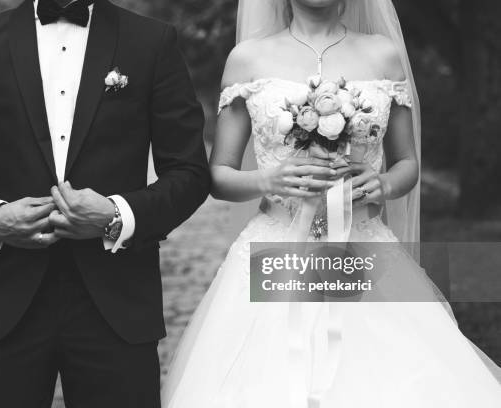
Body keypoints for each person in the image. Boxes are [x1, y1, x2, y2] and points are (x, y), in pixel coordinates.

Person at [162, 0, 501, 406]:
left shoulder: (382, 55)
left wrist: (385, 185)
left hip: (364, 246)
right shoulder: (247, 59)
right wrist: (267, 178)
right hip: (275, 247)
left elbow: (407, 162)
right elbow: (218, 175)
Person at [0, 0, 210, 406]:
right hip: (3, 303)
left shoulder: (151, 41)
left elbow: (190, 173)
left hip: (117, 305)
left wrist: (116, 215)